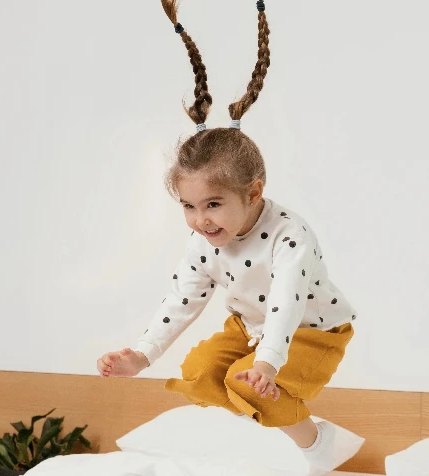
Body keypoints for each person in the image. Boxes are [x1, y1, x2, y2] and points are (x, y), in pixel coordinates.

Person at [98, 1, 357, 472]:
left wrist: (267, 364)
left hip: (310, 331)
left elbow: (286, 301)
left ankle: (317, 442)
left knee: (244, 380)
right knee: (198, 373)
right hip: (251, 328)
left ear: (254, 192)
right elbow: (184, 298)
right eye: (189, 207)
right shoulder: (204, 241)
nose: (201, 221)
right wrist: (141, 353)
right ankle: (262, 420)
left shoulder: (290, 236)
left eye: (213, 205)